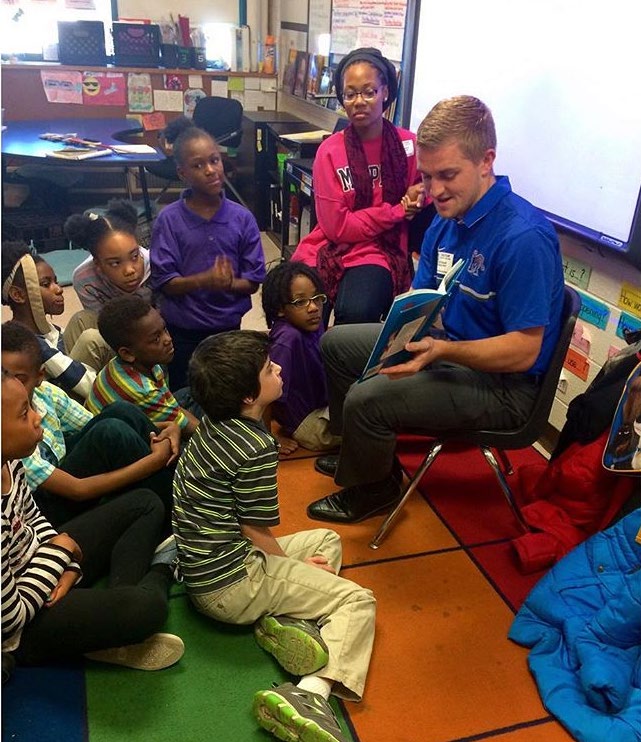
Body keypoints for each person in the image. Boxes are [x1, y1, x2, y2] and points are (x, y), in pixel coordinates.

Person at [307, 95, 565, 524]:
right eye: (427, 177)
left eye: (448, 175)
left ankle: (375, 488)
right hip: (446, 346)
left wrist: (440, 351)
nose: (435, 191)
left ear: (486, 161)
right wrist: (402, 332)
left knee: (367, 399)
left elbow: (524, 351)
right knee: (336, 344)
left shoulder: (523, 239)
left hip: (504, 386)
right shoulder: (447, 220)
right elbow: (421, 297)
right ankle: (362, 450)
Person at [173, 331, 376, 742]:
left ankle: (285, 621)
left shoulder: (214, 421)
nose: (279, 368)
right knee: (357, 600)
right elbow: (254, 529)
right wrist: (290, 567)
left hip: (204, 570)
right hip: (231, 585)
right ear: (249, 396)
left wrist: (290, 567)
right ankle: (311, 693)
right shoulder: (255, 447)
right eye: (269, 369)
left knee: (326, 541)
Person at [1, 367, 184, 671]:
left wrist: (68, 564)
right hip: (21, 630)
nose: (37, 417)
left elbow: (33, 518)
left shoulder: (9, 462)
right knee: (147, 609)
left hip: (43, 568)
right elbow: (11, 617)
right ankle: (163, 567)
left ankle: (108, 628)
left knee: (146, 503)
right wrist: (60, 554)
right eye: (24, 414)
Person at [291, 47, 425, 325]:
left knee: (355, 312)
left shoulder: (409, 145)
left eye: (369, 92)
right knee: (296, 308)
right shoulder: (330, 151)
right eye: (350, 94)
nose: (359, 102)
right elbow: (337, 227)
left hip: (380, 248)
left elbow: (430, 189)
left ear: (385, 92)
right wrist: (396, 212)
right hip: (329, 245)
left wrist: (419, 196)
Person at [2, 321, 177, 529]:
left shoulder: (45, 394)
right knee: (111, 433)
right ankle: (178, 515)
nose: (10, 386)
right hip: (44, 510)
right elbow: (77, 490)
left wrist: (168, 429)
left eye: (19, 379)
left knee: (121, 412)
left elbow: (93, 424)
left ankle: (181, 485)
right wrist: (154, 460)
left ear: (40, 376)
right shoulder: (8, 436)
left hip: (65, 473)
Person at [150, 116, 266, 390]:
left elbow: (252, 281)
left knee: (226, 391)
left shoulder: (242, 218)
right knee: (186, 393)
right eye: (198, 165)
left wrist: (228, 283)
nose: (211, 170)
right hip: (183, 331)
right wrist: (204, 280)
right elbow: (165, 282)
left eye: (214, 160)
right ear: (182, 174)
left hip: (228, 328)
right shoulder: (169, 220)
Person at [1, 242, 108, 399]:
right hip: (70, 400)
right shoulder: (29, 342)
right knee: (91, 338)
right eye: (46, 284)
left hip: (80, 380)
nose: (59, 289)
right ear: (18, 295)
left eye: (55, 282)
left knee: (84, 318)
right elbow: (88, 384)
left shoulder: (51, 331)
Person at [86, 296, 199, 440]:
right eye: (156, 339)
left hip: (147, 412)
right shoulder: (142, 390)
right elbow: (188, 428)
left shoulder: (141, 364)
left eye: (164, 329)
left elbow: (171, 404)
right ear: (127, 354)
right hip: (126, 445)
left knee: (195, 392)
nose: (168, 339)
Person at [261, 261, 341, 454]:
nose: (313, 308)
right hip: (307, 422)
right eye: (300, 302)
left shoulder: (312, 324)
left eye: (317, 299)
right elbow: (264, 395)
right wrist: (268, 437)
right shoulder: (287, 340)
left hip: (322, 405)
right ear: (280, 309)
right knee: (371, 420)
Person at [66, 199, 153, 314]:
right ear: (97, 263)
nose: (130, 270)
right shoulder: (84, 280)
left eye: (134, 256)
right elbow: (101, 322)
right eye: (115, 263)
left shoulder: (155, 263)